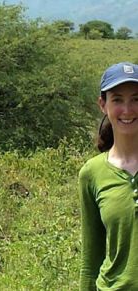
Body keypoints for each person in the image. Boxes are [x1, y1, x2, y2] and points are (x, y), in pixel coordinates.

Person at [79, 62, 138, 290]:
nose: (128, 109)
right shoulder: (92, 173)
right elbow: (91, 258)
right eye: (117, 100)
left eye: (136, 99)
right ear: (102, 105)